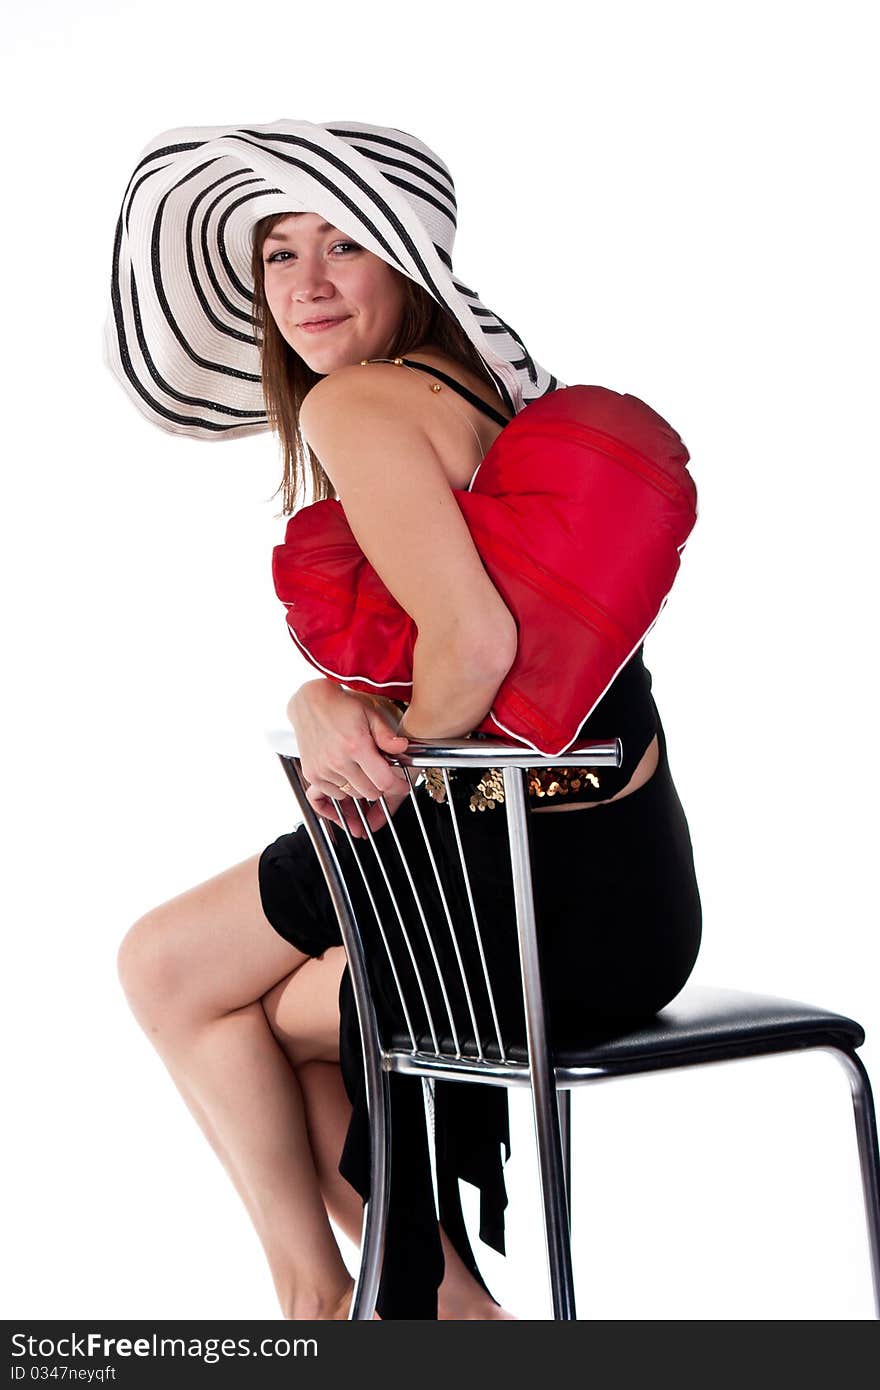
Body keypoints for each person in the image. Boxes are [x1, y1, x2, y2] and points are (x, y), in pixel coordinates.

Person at [108, 119, 703, 1320]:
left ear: (411, 267)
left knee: (183, 979)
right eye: (279, 254)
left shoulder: (362, 407)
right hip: (625, 898)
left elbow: (474, 652)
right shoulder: (479, 395)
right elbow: (477, 638)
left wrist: (384, 768)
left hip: (524, 907)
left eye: (345, 248)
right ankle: (406, 1305)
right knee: (231, 997)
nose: (307, 285)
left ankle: (342, 1306)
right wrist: (323, 700)